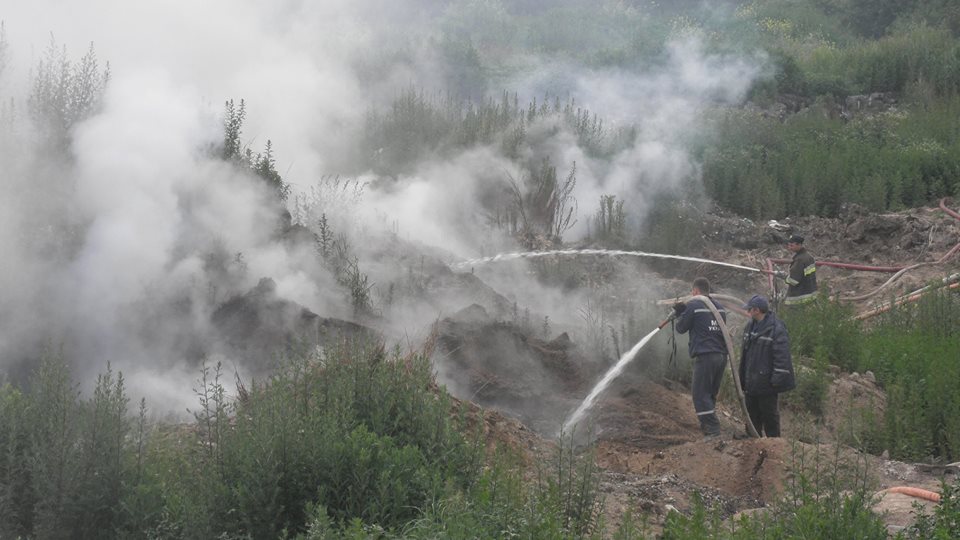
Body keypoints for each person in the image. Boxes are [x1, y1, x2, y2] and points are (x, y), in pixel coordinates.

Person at [673, 277, 728, 439]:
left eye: (692, 291)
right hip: (721, 356)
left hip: (706, 356)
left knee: (699, 393)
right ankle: (709, 425)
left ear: (695, 291)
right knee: (710, 393)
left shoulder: (694, 305)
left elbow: (681, 328)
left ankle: (712, 430)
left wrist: (680, 313)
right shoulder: (719, 307)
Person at [738, 295, 794, 437]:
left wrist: (775, 382)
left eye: (749, 309)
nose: (748, 312)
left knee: (770, 418)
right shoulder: (750, 326)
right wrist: (743, 378)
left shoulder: (776, 329)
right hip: (751, 383)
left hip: (766, 385)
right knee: (751, 417)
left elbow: (782, 357)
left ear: (756, 310)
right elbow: (745, 355)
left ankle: (774, 447)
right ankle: (752, 446)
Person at [783, 234, 818, 305]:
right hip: (810, 294)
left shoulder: (800, 260)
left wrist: (784, 276)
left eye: (791, 245)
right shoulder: (809, 257)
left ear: (799, 245)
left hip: (799, 297)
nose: (789, 248)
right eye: (789, 245)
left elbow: (793, 281)